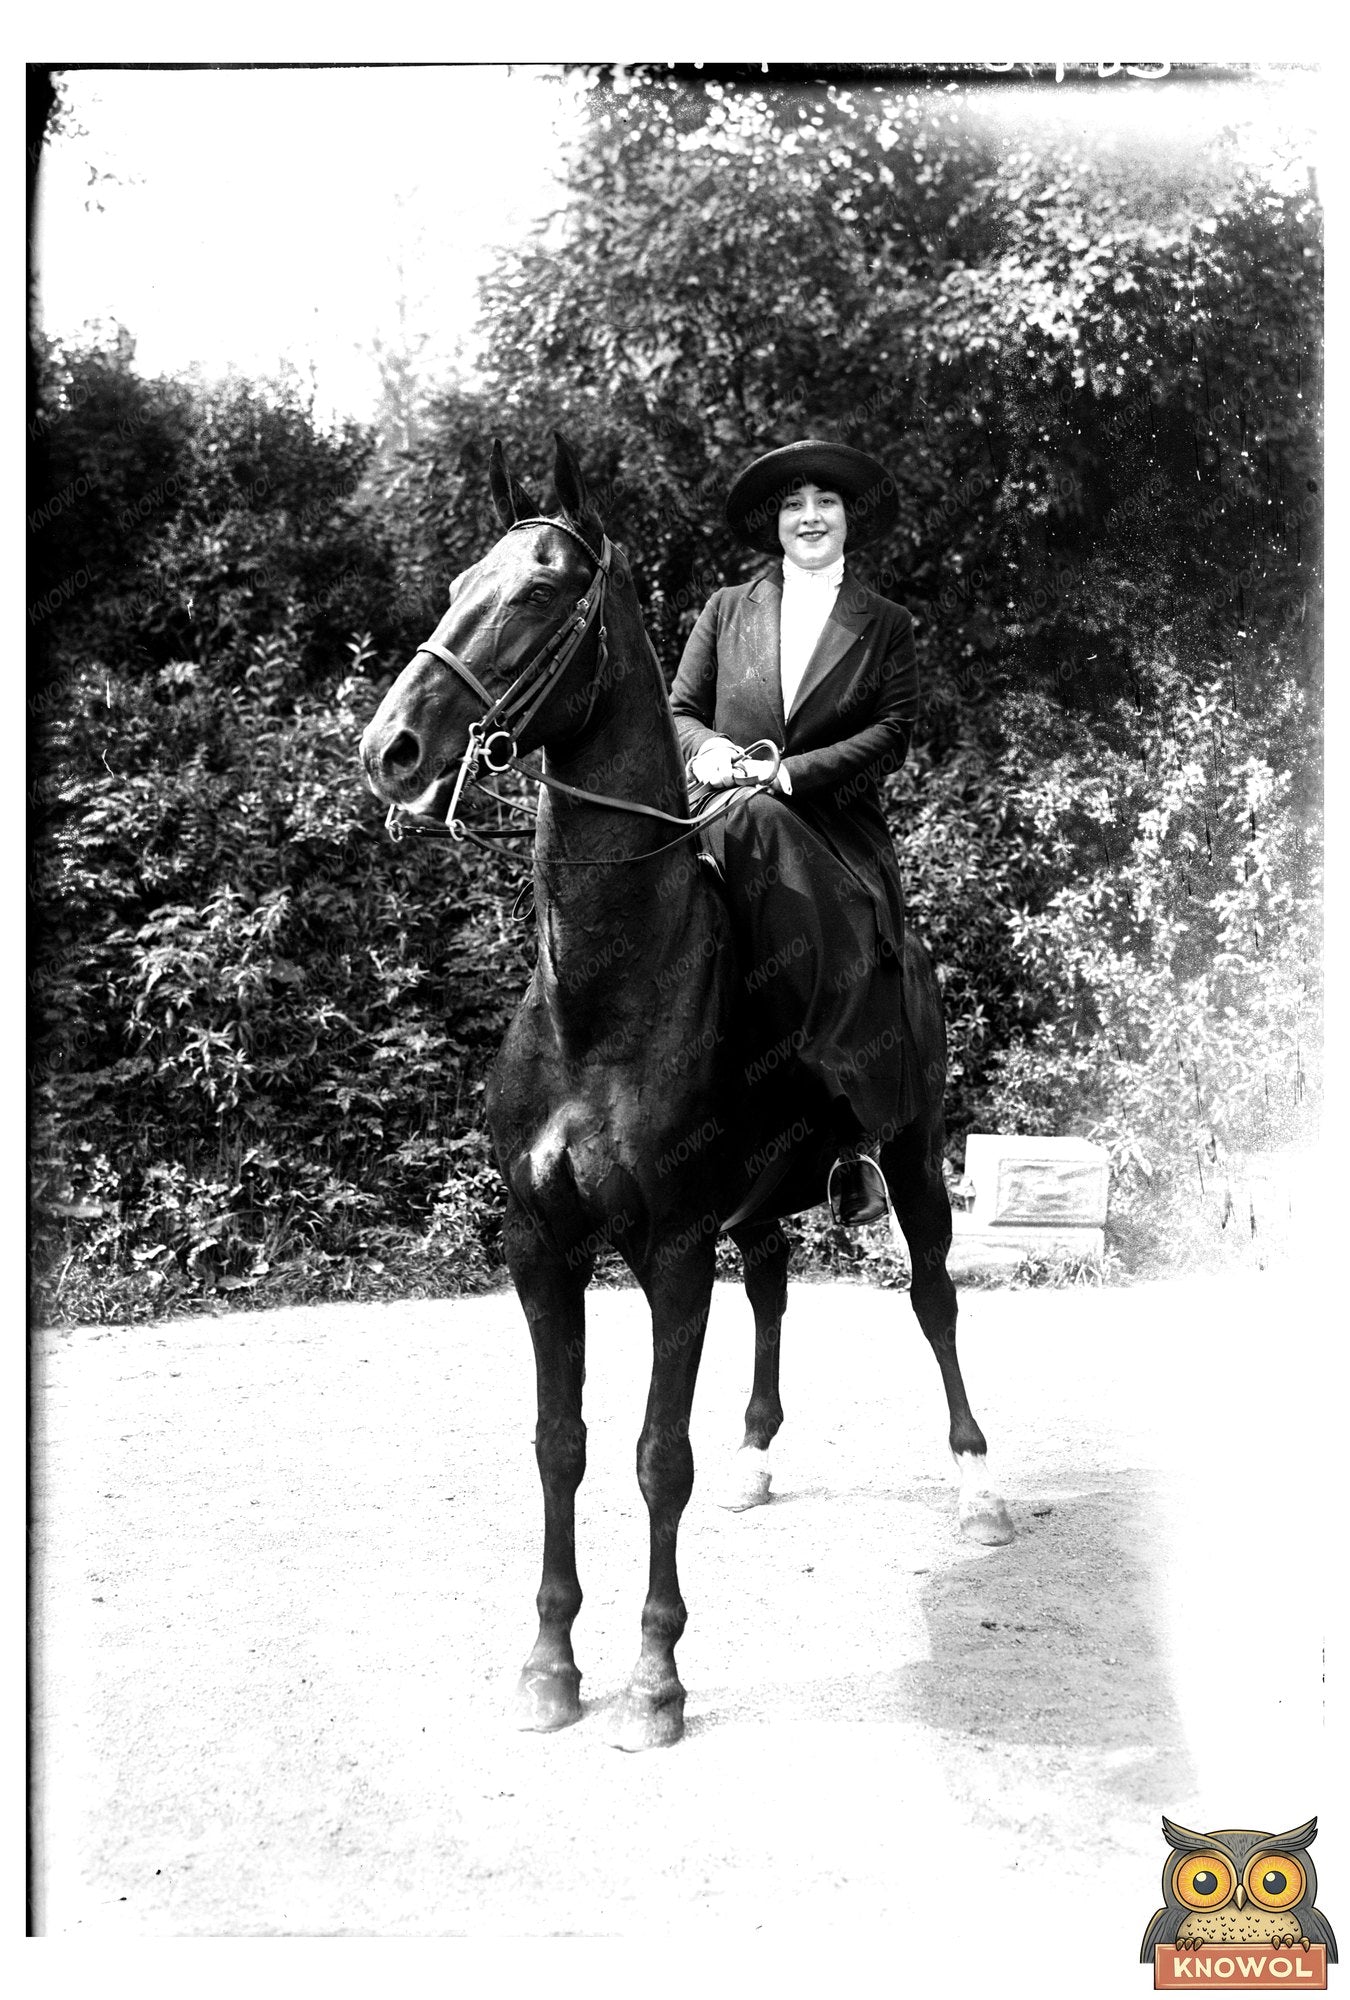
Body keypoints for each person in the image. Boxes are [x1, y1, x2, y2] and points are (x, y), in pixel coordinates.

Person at [668, 438, 918, 1228]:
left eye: (826, 502)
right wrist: (711, 753)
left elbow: (895, 729)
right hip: (719, 812)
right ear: (774, 524)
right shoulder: (725, 609)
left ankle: (848, 1129)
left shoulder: (885, 624)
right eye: (792, 504)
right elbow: (678, 712)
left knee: (763, 820)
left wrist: (786, 775)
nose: (809, 516)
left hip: (831, 827)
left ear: (849, 518)